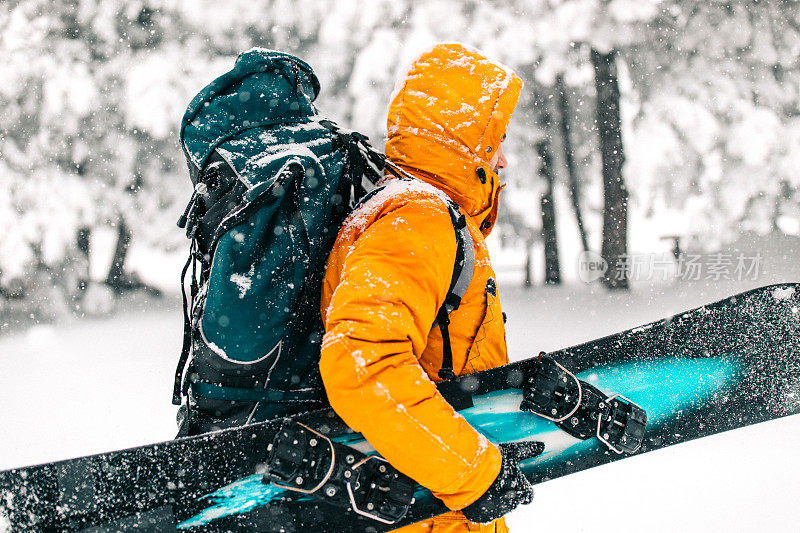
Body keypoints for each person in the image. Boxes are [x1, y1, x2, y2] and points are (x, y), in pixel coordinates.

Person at [319, 43, 529, 532]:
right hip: (428, 513)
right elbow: (362, 365)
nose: (504, 159)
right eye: (494, 140)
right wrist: (473, 474)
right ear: (461, 142)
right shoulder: (418, 220)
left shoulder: (421, 214)